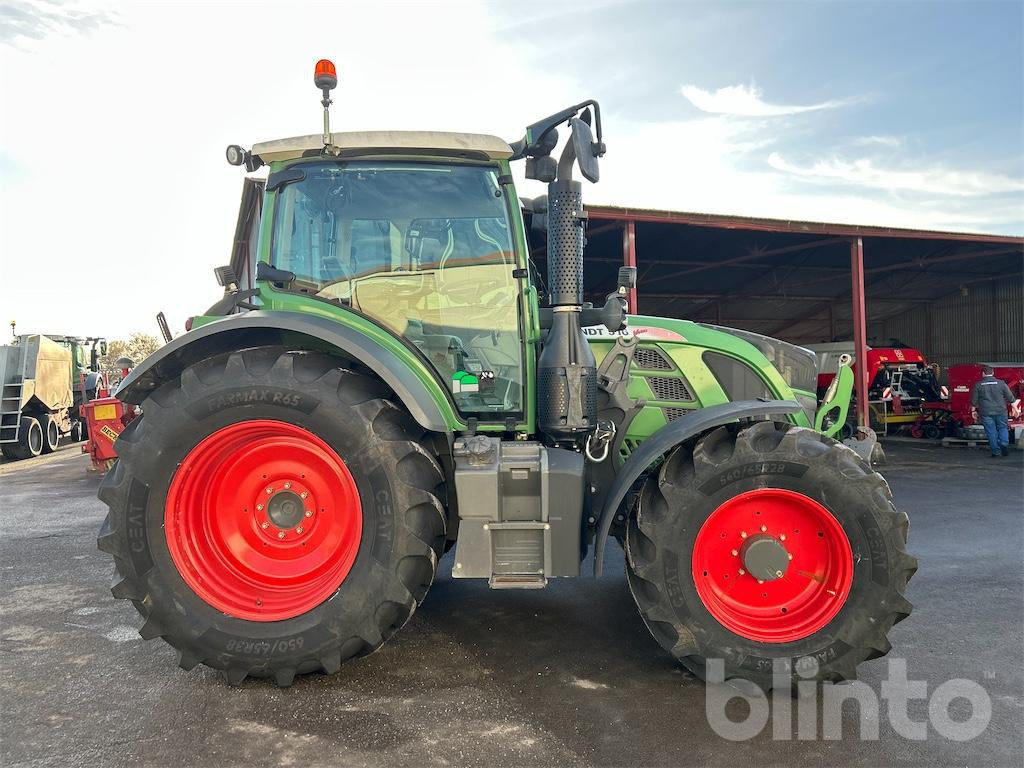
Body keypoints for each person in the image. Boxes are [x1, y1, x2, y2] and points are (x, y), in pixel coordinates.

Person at [970, 365, 1017, 457]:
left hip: (986, 412)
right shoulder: (1001, 383)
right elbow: (1010, 397)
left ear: (983, 373)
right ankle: (1004, 443)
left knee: (991, 431)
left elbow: (974, 401)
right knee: (1002, 428)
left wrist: (973, 411)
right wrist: (1015, 409)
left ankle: (995, 451)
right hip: (1000, 411)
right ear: (993, 373)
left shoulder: (978, 385)